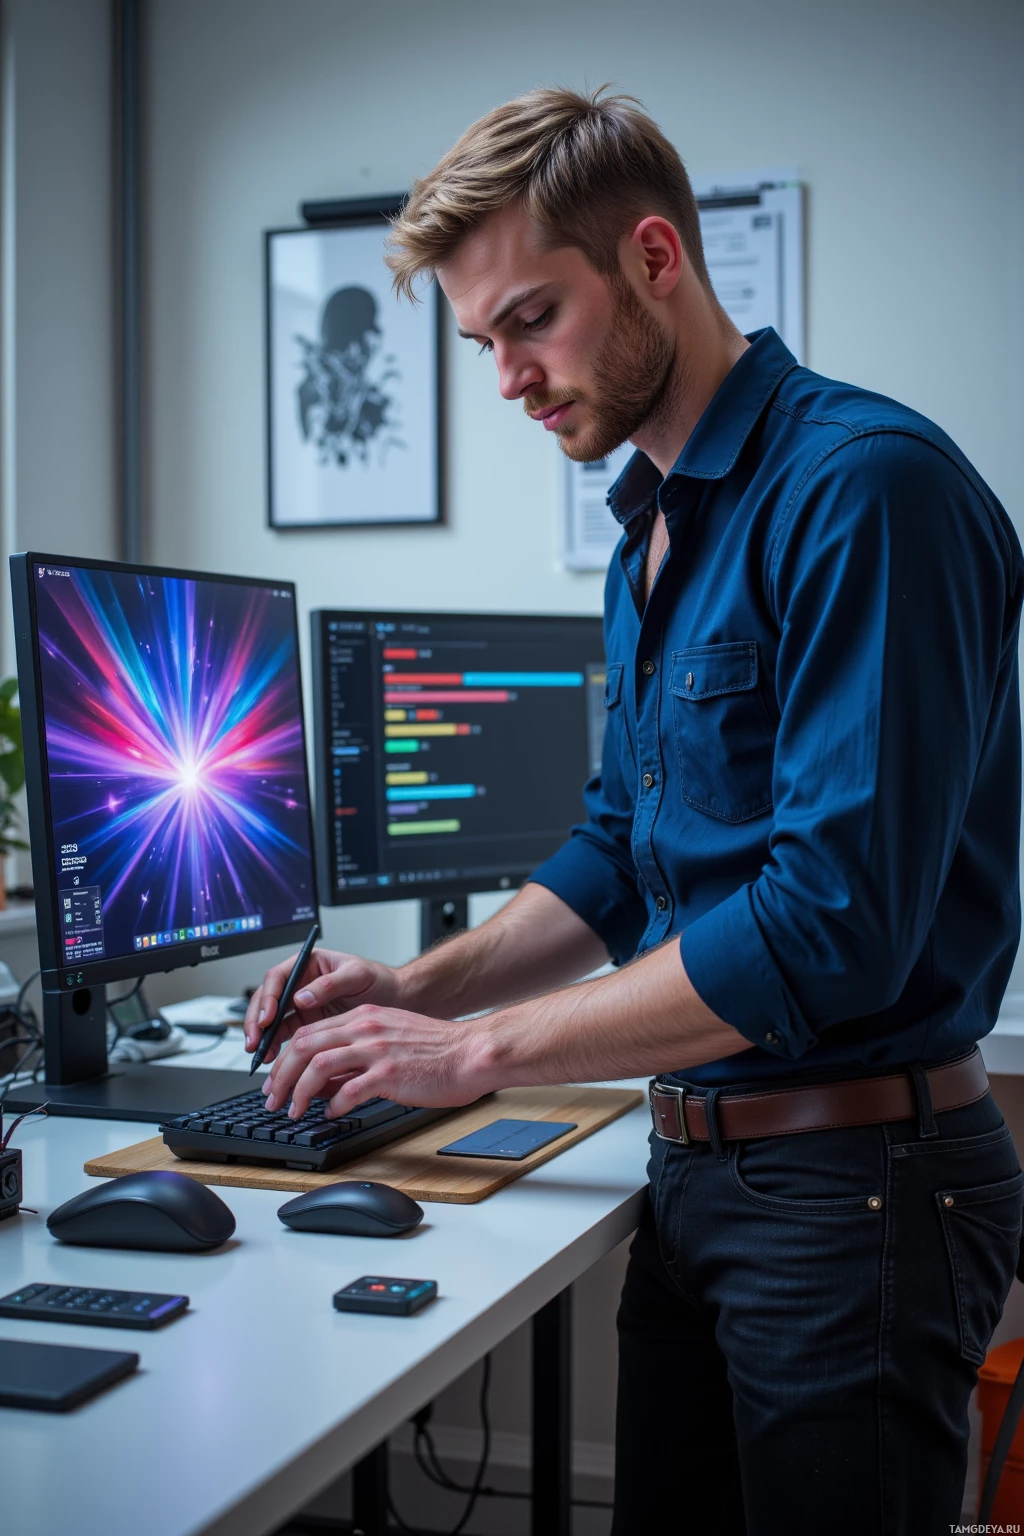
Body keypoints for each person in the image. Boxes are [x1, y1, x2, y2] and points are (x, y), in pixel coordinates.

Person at [245, 87, 1024, 1533]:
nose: (510, 381)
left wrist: (473, 1050)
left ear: (655, 258)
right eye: (483, 344)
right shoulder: (652, 525)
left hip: (852, 1185)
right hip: (700, 1182)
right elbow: (621, 845)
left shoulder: (869, 491)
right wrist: (409, 989)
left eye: (531, 321)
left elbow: (830, 924)